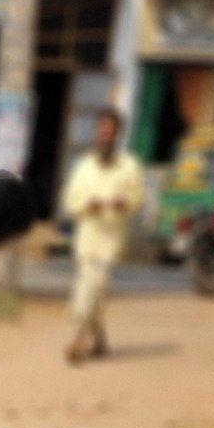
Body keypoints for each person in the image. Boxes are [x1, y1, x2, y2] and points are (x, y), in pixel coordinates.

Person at [61, 107, 146, 362]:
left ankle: (77, 340)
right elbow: (70, 201)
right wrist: (88, 204)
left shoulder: (128, 166)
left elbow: (138, 198)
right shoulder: (85, 166)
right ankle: (99, 341)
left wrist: (125, 203)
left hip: (111, 240)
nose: (106, 135)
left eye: (111, 131)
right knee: (93, 287)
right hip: (87, 237)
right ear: (97, 132)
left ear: (118, 134)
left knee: (92, 285)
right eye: (103, 130)